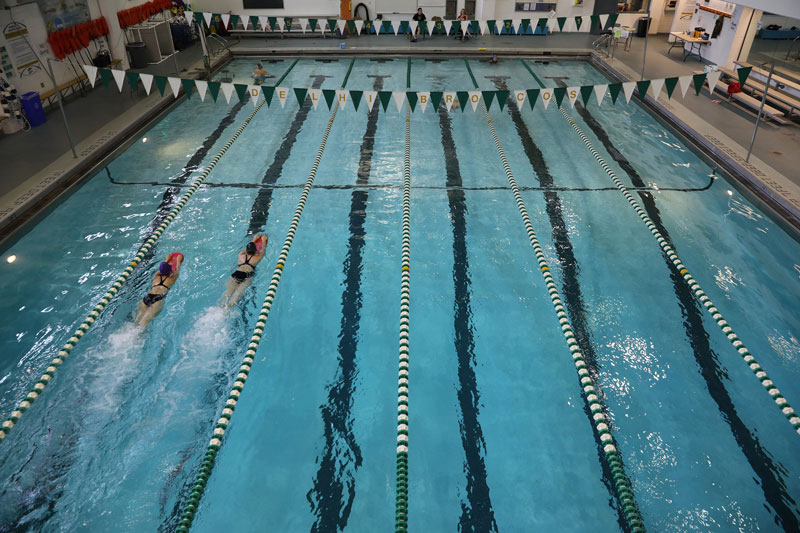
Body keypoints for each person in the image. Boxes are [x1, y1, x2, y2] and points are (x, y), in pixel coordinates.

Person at [134, 253, 183, 329]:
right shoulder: (170, 279)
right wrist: (178, 261)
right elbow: (177, 270)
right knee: (144, 324)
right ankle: (136, 339)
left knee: (137, 320)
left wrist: (167, 260)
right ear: (170, 271)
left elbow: (161, 269)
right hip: (158, 300)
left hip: (147, 297)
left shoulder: (156, 277)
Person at [221, 234, 268, 308]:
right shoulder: (257, 258)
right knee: (237, 294)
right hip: (247, 275)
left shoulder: (241, 255)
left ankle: (219, 306)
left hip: (236, 274)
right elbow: (263, 251)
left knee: (227, 292)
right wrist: (264, 241)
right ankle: (228, 306)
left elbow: (247, 248)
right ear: (256, 251)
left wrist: (254, 240)